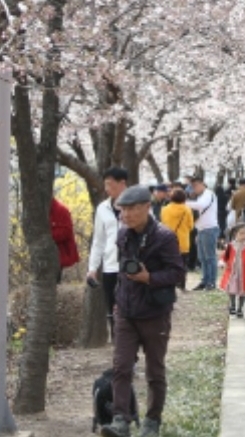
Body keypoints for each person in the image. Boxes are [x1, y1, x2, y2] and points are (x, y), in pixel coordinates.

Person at [100, 185, 186, 437]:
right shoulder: (123, 234)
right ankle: (120, 420)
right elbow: (123, 271)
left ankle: (152, 421)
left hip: (155, 312)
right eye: (123, 209)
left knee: (154, 370)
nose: (126, 214)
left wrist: (150, 277)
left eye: (132, 209)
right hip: (126, 311)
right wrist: (118, 300)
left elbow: (178, 273)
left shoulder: (164, 237)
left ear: (147, 207)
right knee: (121, 366)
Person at [88, 167, 128, 340]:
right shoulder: (102, 209)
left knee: (130, 310)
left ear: (122, 183)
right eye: (105, 185)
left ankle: (130, 355)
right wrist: (92, 268)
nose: (107, 189)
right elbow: (99, 240)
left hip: (133, 267)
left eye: (110, 184)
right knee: (113, 311)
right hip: (111, 266)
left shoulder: (138, 204)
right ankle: (121, 357)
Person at [185, 171, 219, 291]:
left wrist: (185, 204)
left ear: (201, 184)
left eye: (194, 186)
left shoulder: (208, 194)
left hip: (209, 228)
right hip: (201, 229)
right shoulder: (201, 195)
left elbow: (201, 205)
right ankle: (205, 280)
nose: (193, 189)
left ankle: (212, 282)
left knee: (210, 257)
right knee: (202, 257)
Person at [220, 223, 245, 316]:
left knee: (243, 292)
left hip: (244, 273)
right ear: (235, 234)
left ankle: (240, 308)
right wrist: (222, 262)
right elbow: (225, 257)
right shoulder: (230, 246)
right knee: (231, 289)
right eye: (241, 233)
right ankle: (233, 305)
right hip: (233, 272)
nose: (244, 236)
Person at [160, 188, 194, 290]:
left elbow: (162, 224)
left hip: (167, 241)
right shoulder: (187, 210)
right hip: (183, 241)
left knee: (168, 264)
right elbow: (191, 226)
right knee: (182, 264)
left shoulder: (164, 209)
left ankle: (168, 284)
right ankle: (182, 284)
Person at [50, 195, 80, 280]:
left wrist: (48, 237)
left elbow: (66, 232)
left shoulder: (61, 210)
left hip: (58, 254)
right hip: (48, 255)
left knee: (54, 280)